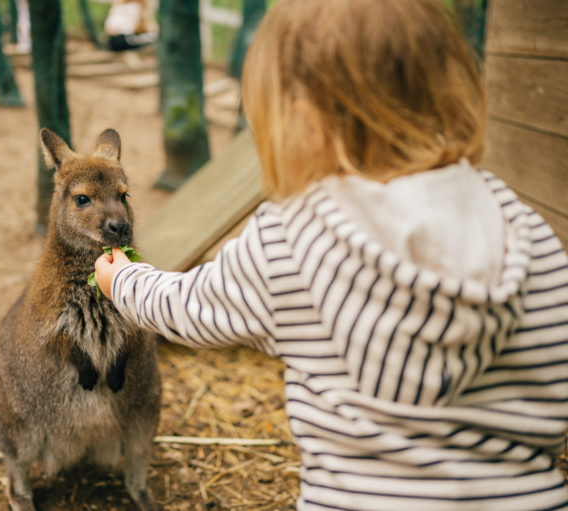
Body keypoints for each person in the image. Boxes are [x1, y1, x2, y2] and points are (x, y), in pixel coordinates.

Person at [94, 0, 568, 509]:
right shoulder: (524, 229)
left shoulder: (296, 238)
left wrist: (125, 280)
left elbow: (191, 307)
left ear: (303, 126)